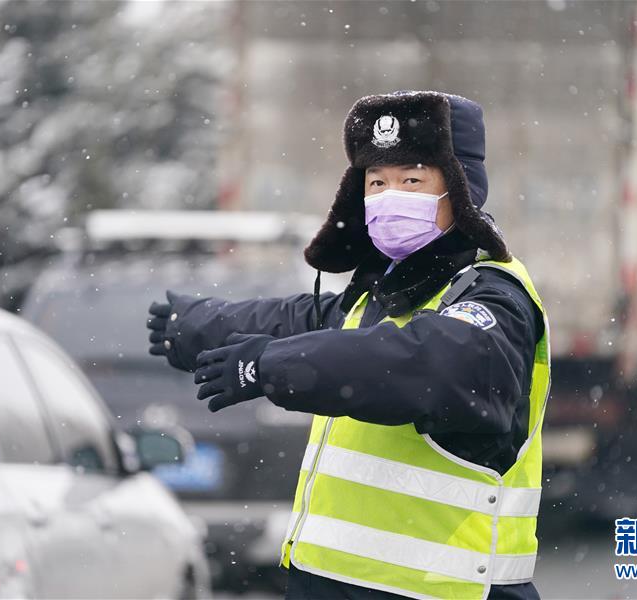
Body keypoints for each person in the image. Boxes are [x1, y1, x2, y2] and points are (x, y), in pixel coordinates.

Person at [147, 91, 550, 600]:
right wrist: (197, 325)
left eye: (411, 180)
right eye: (376, 182)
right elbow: (293, 321)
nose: (388, 196)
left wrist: (266, 368)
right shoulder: (380, 296)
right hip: (332, 584)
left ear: (461, 189)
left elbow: (426, 364)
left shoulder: (494, 297)